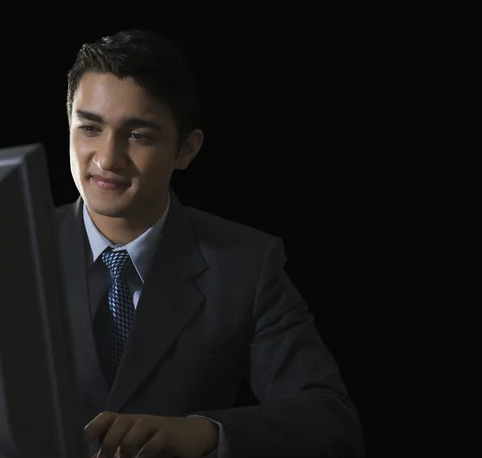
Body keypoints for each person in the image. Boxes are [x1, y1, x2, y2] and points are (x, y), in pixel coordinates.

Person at [54, 28, 364, 458]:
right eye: (90, 128)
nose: (107, 158)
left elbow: (331, 420)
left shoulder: (247, 265)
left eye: (139, 135)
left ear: (186, 150)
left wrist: (207, 434)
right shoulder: (4, 252)